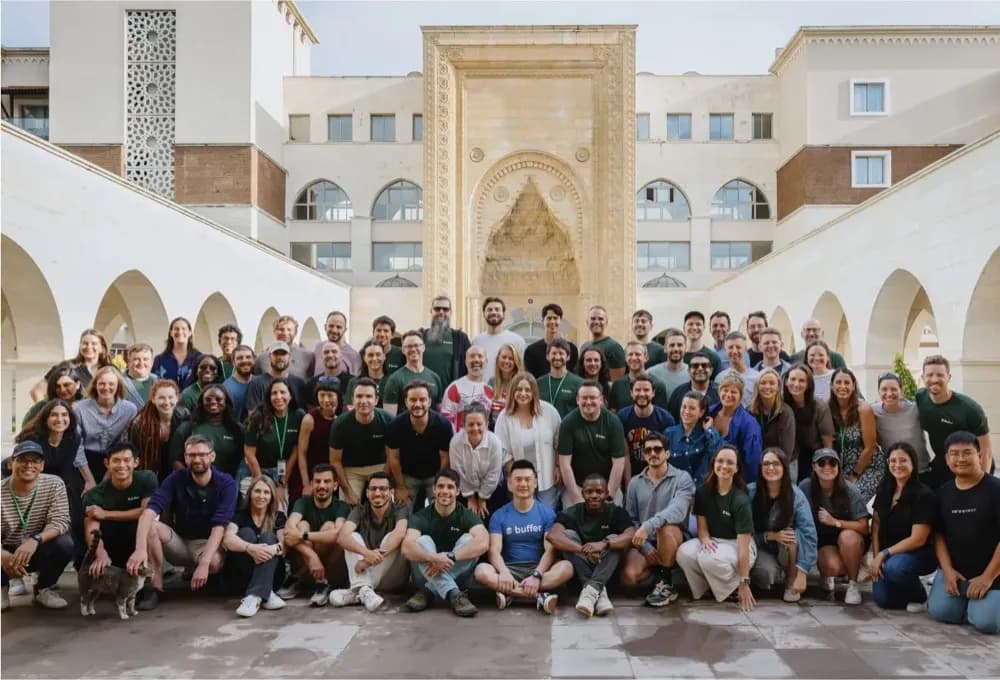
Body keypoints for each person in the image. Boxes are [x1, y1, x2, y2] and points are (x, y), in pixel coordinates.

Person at [127, 435, 238, 608]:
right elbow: (148, 512)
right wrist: (140, 549)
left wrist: (204, 564)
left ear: (212, 456)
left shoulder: (227, 483)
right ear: (185, 458)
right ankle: (156, 587)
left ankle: (208, 576)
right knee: (152, 526)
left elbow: (219, 526)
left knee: (213, 563)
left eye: (202, 455)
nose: (197, 459)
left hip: (206, 543)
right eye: (192, 455)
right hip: (179, 541)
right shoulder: (175, 478)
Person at [474, 460, 573, 613]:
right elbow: (494, 551)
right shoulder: (499, 515)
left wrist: (537, 575)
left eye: (527, 479)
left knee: (566, 568)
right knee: (481, 571)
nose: (523, 484)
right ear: (509, 484)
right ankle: (539, 596)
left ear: (535, 483)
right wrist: (504, 573)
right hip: (510, 569)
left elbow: (550, 551)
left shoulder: (547, 513)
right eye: (518, 479)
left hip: (539, 569)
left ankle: (511, 594)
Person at [928, 431, 1000, 634]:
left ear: (979, 455)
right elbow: (938, 535)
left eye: (967, 452)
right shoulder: (943, 493)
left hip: (994, 573)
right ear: (947, 459)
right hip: (958, 573)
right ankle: (971, 604)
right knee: (942, 612)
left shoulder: (996, 490)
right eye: (954, 453)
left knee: (987, 623)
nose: (960, 459)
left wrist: (987, 577)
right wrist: (947, 571)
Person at [80, 442, 160, 611]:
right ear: (107, 463)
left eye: (126, 460)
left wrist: (107, 514)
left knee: (151, 525)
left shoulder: (147, 479)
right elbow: (91, 525)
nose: (122, 465)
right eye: (116, 460)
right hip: (111, 543)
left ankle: (151, 587)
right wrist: (100, 554)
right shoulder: (94, 495)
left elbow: (147, 511)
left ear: (136, 462)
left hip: (137, 540)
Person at [676, 445, 757, 611]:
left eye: (730, 462)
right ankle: (707, 590)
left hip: (739, 545)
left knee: (708, 558)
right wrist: (705, 539)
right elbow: (702, 528)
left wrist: (744, 581)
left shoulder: (740, 499)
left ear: (737, 468)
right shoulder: (703, 492)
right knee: (683, 553)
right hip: (714, 541)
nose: (724, 466)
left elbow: (743, 546)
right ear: (713, 464)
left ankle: (734, 588)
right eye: (720, 461)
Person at [402, 469, 489, 617]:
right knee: (422, 541)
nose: (445, 491)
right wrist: (433, 558)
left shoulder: (466, 515)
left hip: (459, 576)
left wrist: (451, 556)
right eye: (441, 486)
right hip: (424, 574)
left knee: (469, 539)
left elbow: (483, 543)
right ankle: (455, 594)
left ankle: (428, 591)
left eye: (450, 487)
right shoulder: (421, 516)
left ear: (457, 491)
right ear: (434, 490)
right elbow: (406, 547)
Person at [622, 432, 695, 606]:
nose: (653, 453)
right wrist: (646, 547)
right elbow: (631, 519)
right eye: (648, 450)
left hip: (673, 538)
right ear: (644, 455)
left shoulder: (682, 478)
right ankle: (659, 575)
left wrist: (648, 526)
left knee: (665, 527)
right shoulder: (635, 483)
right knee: (628, 577)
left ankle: (666, 582)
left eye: (657, 449)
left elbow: (678, 510)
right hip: (645, 542)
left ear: (667, 453)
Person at [547, 474, 635, 617]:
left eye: (599, 492)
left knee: (614, 539)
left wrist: (604, 544)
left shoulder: (616, 512)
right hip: (580, 569)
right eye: (589, 492)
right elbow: (553, 536)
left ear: (607, 493)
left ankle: (590, 592)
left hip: (608, 568)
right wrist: (584, 550)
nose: (594, 495)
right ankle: (599, 592)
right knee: (568, 535)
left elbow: (631, 535)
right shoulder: (573, 512)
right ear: (582, 493)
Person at [1, 441, 73, 610]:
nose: (29, 465)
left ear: (42, 466)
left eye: (35, 461)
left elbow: (60, 520)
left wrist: (35, 540)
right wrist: (2, 555)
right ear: (10, 464)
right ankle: (2, 587)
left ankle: (43, 588)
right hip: (6, 549)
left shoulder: (54, 484)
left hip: (37, 546)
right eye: (22, 460)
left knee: (65, 544)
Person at [870, 442, 937, 612]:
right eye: (893, 461)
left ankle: (919, 596)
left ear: (913, 464)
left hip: (918, 552)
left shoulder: (924, 495)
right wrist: (877, 556)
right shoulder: (884, 489)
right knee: (883, 600)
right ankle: (901, 586)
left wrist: (884, 554)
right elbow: (876, 524)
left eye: (903, 460)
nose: (897, 465)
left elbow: (918, 539)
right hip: (888, 554)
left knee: (896, 568)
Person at [329, 471, 409, 611]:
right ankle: (364, 591)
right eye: (373, 489)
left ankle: (358, 589)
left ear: (391, 492)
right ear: (367, 493)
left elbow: (399, 533)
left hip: (392, 577)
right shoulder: (360, 510)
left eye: (383, 489)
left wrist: (367, 561)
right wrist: (367, 553)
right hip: (366, 571)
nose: (377, 493)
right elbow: (342, 537)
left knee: (391, 537)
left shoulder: (400, 509)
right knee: (352, 537)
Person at [799, 448, 870, 605]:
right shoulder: (805, 487)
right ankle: (843, 568)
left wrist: (835, 522)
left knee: (848, 537)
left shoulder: (850, 490)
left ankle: (853, 583)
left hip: (849, 536)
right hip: (824, 540)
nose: (827, 467)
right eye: (821, 463)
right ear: (813, 466)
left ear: (838, 467)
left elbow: (864, 527)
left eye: (832, 463)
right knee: (831, 566)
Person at [747, 448, 816, 602]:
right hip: (759, 546)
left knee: (792, 535)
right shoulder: (750, 492)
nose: (771, 468)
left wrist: (803, 572)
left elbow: (809, 533)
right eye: (766, 464)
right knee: (765, 575)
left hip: (787, 550)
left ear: (784, 467)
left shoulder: (796, 495)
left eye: (776, 464)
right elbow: (743, 531)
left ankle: (791, 579)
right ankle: (769, 573)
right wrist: (770, 536)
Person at [917, 355, 992, 489]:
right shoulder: (920, 398)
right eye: (930, 375)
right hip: (943, 461)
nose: (934, 379)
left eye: (940, 375)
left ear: (949, 377)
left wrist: (982, 484)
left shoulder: (970, 409)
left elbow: (986, 450)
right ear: (923, 378)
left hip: (970, 463)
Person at [282, 464, 351, 605]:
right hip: (311, 567)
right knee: (301, 525)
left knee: (329, 526)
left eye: (327, 481)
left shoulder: (342, 506)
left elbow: (337, 535)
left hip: (331, 571)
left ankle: (308, 579)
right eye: (318, 481)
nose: (322, 486)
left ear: (335, 485)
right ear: (312, 484)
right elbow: (289, 530)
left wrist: (303, 536)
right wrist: (312, 556)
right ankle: (320, 582)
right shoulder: (302, 503)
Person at [223, 475, 287, 617]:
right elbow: (227, 539)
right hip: (241, 577)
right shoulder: (240, 515)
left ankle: (254, 596)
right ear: (250, 493)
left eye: (266, 492)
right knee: (246, 533)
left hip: (274, 577)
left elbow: (285, 544)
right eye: (257, 491)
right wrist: (250, 548)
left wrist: (273, 549)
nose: (261, 496)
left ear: (271, 496)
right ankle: (265, 593)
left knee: (269, 537)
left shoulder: (278, 517)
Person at [495, 373, 563, 509]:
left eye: (527, 390)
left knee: (546, 515)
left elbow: (559, 441)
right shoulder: (504, 417)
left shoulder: (549, 412)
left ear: (534, 392)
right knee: (524, 513)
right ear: (512, 392)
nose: (523, 393)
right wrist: (519, 476)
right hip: (520, 481)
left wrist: (557, 466)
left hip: (547, 478)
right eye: (519, 389)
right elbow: (502, 451)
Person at [386, 381, 453, 512]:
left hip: (435, 475)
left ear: (429, 401)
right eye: (413, 400)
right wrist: (400, 486)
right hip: (407, 476)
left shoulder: (443, 425)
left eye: (422, 399)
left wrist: (439, 484)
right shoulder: (395, 425)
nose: (417, 404)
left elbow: (445, 458)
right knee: (401, 511)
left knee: (442, 510)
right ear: (406, 402)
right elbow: (393, 458)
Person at [558, 380, 627, 506]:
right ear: (577, 400)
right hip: (577, 486)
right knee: (571, 516)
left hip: (607, 486)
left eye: (592, 398)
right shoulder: (567, 423)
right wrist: (576, 498)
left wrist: (609, 495)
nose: (588, 402)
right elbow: (565, 464)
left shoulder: (613, 422)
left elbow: (618, 463)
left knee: (613, 514)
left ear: (601, 400)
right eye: (584, 398)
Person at [329, 377, 391, 505]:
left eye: (368, 396)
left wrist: (384, 479)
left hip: (379, 466)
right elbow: (335, 461)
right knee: (348, 507)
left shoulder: (387, 419)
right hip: (351, 469)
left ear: (376, 400)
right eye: (359, 396)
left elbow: (392, 456)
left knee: (385, 503)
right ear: (353, 400)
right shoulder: (340, 424)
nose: (363, 401)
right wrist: (348, 493)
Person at [74, 365, 139, 480]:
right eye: (102, 384)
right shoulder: (79, 408)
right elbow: (77, 446)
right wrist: (89, 479)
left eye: (111, 384)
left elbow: (125, 443)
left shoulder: (129, 410)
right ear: (95, 385)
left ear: (118, 386)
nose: (106, 387)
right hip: (84, 462)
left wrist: (108, 477)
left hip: (116, 460)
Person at [830, 367, 884, 502]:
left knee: (853, 500)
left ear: (853, 386)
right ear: (831, 386)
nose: (843, 386)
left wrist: (854, 475)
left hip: (867, 466)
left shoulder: (863, 409)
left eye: (847, 383)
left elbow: (870, 447)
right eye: (838, 382)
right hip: (842, 469)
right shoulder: (828, 409)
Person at [244, 378, 305, 491]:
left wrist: (282, 483)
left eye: (282, 392)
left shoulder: (298, 416)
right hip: (261, 470)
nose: (278, 397)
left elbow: (296, 450)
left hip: (288, 472)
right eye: (274, 393)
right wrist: (261, 482)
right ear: (269, 397)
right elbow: (249, 453)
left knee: (282, 501)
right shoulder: (258, 417)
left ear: (290, 396)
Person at [170, 386, 245, 477]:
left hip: (228, 482)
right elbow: (175, 460)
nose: (213, 402)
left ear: (226, 402)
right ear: (202, 402)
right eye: (208, 399)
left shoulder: (237, 430)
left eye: (218, 399)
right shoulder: (187, 428)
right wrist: (189, 479)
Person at [290, 378, 342, 502]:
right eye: (322, 395)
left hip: (333, 474)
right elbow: (302, 453)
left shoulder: (342, 419)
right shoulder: (309, 419)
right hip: (310, 473)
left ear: (338, 397)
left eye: (330, 395)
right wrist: (306, 483)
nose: (326, 400)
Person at [450, 403, 505, 518]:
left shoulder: (495, 443)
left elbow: (493, 474)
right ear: (463, 425)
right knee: (465, 519)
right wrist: (470, 497)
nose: (475, 428)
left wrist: (482, 498)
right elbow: (457, 472)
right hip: (464, 489)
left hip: (492, 489)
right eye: (470, 424)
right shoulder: (455, 443)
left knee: (488, 518)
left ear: (486, 424)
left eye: (479, 424)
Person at [616, 375, 675, 481]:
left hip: (658, 475)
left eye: (646, 390)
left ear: (653, 393)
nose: (642, 394)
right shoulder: (622, 417)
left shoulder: (666, 419)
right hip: (632, 473)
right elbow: (625, 455)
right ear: (631, 393)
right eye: (637, 390)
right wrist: (629, 484)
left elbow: (666, 455)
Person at [31, 328, 113, 401]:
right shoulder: (68, 366)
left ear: (102, 348)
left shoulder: (110, 370)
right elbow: (37, 391)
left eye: (94, 343)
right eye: (85, 343)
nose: (89, 347)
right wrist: (45, 411)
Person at [129, 379, 187, 482]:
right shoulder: (140, 425)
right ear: (153, 399)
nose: (167, 402)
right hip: (149, 473)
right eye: (161, 398)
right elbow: (135, 455)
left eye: (170, 397)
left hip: (175, 472)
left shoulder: (184, 417)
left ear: (177, 398)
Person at [872, 372, 930, 475]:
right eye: (884, 389)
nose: (889, 393)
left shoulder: (915, 409)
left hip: (920, 471)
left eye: (894, 389)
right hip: (894, 472)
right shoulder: (873, 411)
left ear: (901, 390)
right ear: (878, 391)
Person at [784, 364, 834, 482]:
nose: (796, 384)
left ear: (808, 384)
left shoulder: (820, 407)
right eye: (793, 379)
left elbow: (827, 441)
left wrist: (826, 465)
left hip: (813, 455)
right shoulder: (781, 403)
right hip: (788, 455)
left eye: (801, 381)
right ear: (786, 381)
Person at [709, 375, 763, 482]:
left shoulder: (749, 424)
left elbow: (752, 462)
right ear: (719, 392)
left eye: (734, 392)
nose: (728, 395)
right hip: (708, 478)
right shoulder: (708, 413)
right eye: (725, 390)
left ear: (741, 396)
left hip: (736, 480)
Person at [664, 392, 723, 486]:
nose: (687, 411)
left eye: (692, 408)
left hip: (699, 489)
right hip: (674, 488)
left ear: (701, 412)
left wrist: (710, 430)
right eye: (684, 407)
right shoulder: (669, 433)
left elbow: (716, 455)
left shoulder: (708, 435)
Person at [747, 368, 797, 478]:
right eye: (763, 383)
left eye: (772, 383)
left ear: (778, 387)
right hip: (755, 464)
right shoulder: (749, 411)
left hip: (781, 464)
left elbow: (787, 449)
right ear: (757, 386)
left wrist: (773, 467)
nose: (767, 386)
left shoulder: (785, 413)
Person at [382, 331, 444, 415]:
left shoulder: (435, 378)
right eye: (409, 346)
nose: (413, 349)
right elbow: (389, 417)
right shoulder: (394, 380)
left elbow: (440, 413)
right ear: (403, 350)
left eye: (416, 345)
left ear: (423, 347)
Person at [440, 346, 495, 431]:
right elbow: (446, 419)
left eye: (480, 356)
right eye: (472, 356)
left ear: (486, 361)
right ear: (466, 362)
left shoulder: (490, 390)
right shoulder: (454, 388)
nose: (476, 359)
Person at [244, 342, 308, 416]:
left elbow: (303, 413)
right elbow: (252, 415)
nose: (280, 357)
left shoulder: (299, 383)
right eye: (276, 354)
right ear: (269, 356)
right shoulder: (257, 383)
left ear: (289, 356)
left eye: (283, 354)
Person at [421, 295, 472, 387]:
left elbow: (469, 367)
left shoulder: (460, 338)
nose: (441, 312)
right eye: (437, 309)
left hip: (450, 393)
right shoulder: (420, 336)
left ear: (450, 312)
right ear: (431, 311)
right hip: (423, 393)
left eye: (445, 309)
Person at [471, 297, 526, 378]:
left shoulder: (517, 341)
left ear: (504, 314)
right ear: (484, 314)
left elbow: (522, 371)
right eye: (489, 310)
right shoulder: (476, 342)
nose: (493, 312)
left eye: (497, 309)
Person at [609, 343, 669, 412]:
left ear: (646, 357)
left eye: (637, 354)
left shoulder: (658, 385)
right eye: (630, 354)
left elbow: (660, 414)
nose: (634, 358)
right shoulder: (617, 385)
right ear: (625, 358)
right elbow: (613, 411)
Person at [524, 303, 578, 378]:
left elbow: (573, 376)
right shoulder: (531, 351)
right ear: (543, 321)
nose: (552, 322)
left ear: (560, 321)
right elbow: (530, 379)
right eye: (549, 318)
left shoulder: (572, 349)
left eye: (555, 318)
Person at [253, 315, 314, 379]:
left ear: (295, 333)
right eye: (281, 329)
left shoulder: (308, 356)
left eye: (289, 330)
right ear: (274, 332)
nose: (285, 333)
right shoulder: (262, 358)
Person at [666, 351, 720, 422]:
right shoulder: (678, 393)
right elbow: (672, 420)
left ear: (711, 370)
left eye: (704, 365)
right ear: (689, 371)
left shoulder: (720, 392)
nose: (700, 368)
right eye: (695, 366)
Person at [538, 338, 584, 418]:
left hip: (568, 426)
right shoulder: (538, 383)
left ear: (568, 357)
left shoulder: (579, 383)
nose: (557, 357)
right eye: (554, 353)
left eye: (561, 353)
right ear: (547, 356)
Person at [152, 317, 202, 390]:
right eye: (176, 329)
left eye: (183, 329)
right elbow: (154, 384)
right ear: (171, 333)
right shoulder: (159, 360)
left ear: (190, 332)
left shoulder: (199, 358)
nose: (180, 332)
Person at [714, 331, 759, 408]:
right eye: (730, 347)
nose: (734, 351)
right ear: (725, 350)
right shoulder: (720, 378)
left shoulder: (756, 377)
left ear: (745, 349)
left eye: (738, 347)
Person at [580, 305, 626, 380]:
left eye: (600, 319)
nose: (596, 322)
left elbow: (616, 382)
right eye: (593, 319)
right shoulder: (584, 346)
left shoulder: (614, 348)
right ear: (587, 322)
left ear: (606, 322)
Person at [312, 311, 361, 377]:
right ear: (325, 327)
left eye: (339, 327)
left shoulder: (353, 355)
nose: (334, 330)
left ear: (345, 330)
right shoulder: (318, 348)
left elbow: (354, 380)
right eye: (331, 326)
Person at [304, 342, 350, 408]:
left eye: (334, 352)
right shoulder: (311, 384)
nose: (330, 355)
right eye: (326, 352)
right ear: (321, 357)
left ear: (341, 356)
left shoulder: (351, 382)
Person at [346, 340, 390, 408]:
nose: (374, 358)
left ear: (384, 356)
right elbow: (350, 408)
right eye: (370, 355)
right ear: (364, 358)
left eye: (378, 354)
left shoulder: (392, 381)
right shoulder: (354, 382)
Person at [647, 328, 690, 398]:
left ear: (686, 348)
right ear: (665, 348)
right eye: (672, 345)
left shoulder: (692, 373)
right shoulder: (651, 374)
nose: (676, 349)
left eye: (679, 345)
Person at [487, 343, 523, 423]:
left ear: (516, 361)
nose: (506, 361)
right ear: (498, 359)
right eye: (504, 357)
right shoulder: (491, 382)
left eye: (511, 358)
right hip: (494, 427)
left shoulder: (521, 383)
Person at [682, 311, 722, 379]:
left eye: (698, 324)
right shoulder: (677, 357)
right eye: (690, 324)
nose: (694, 328)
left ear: (703, 328)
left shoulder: (713, 358)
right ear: (684, 328)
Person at [222, 345, 255, 422]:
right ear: (233, 362)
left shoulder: (260, 382)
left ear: (254, 360)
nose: (244, 360)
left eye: (248, 357)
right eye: (240, 358)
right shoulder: (227, 388)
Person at [121, 343, 157, 409]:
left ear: (152, 362)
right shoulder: (118, 384)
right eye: (136, 359)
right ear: (128, 362)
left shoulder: (158, 382)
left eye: (145, 359)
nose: (141, 363)